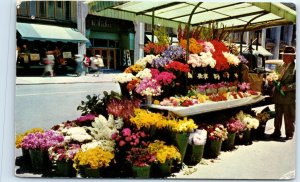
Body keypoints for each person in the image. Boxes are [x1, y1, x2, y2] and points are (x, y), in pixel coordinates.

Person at [270, 46, 296, 140]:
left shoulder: (296, 67)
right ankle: (277, 132)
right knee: (277, 115)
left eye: (286, 55)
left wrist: (287, 87)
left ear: (292, 57)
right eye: (284, 55)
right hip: (278, 95)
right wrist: (271, 80)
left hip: (289, 97)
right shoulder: (280, 65)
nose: (284, 57)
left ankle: (289, 133)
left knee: (289, 116)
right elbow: (275, 77)